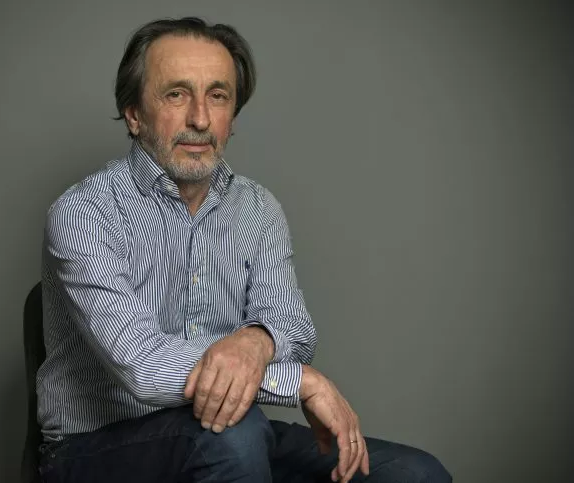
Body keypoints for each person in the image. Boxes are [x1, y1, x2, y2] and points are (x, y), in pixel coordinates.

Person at [36, 16, 451, 483]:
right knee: (236, 436)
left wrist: (257, 342)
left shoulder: (258, 208)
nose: (200, 119)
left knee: (416, 474)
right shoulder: (83, 213)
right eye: (176, 94)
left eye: (218, 96)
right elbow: (143, 366)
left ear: (232, 117)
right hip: (94, 450)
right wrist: (299, 382)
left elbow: (295, 329)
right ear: (134, 114)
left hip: (230, 432)